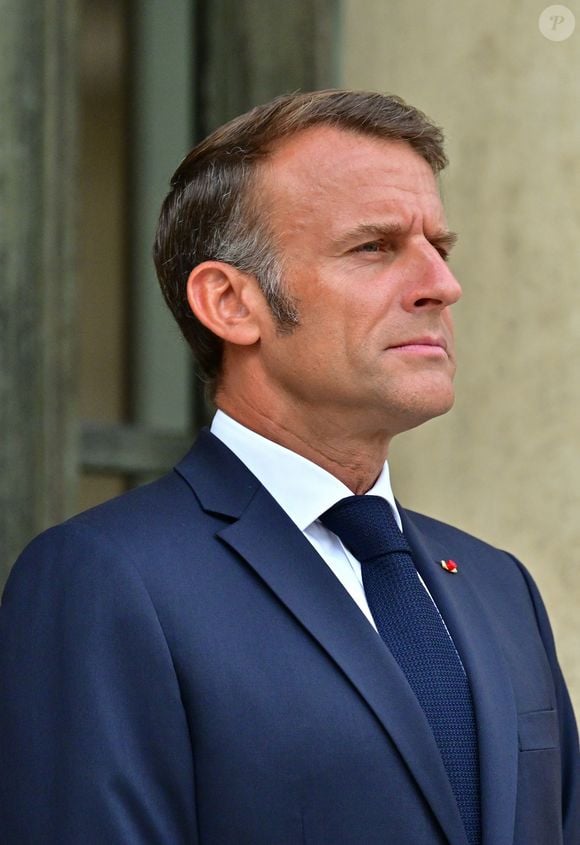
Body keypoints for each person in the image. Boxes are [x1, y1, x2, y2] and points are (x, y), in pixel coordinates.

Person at [0, 90, 578, 845]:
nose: (442, 284)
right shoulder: (105, 580)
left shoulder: (500, 586)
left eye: (440, 246)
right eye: (373, 247)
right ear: (230, 302)